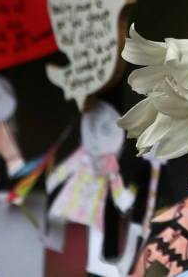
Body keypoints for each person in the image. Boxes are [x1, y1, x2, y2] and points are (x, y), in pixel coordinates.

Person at [46, 101, 138, 277]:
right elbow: (64, 169)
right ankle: (51, 242)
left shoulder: (110, 163)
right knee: (56, 217)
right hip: (71, 198)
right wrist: (49, 184)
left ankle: (97, 264)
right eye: (92, 128)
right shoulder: (82, 154)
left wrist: (124, 201)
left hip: (94, 204)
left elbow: (116, 185)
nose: (96, 137)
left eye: (104, 131)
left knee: (96, 235)